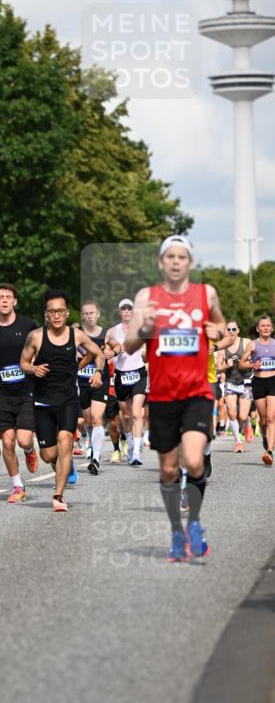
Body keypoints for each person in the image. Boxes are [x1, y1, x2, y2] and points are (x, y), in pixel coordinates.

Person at [124, 235, 226, 561]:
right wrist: (145, 328)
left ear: (190, 263)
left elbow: (221, 326)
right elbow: (128, 347)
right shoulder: (146, 297)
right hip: (163, 396)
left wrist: (218, 333)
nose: (177, 261)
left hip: (197, 392)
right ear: (161, 262)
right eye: (171, 256)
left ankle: (194, 522)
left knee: (194, 461)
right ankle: (175, 530)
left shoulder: (205, 293)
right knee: (169, 471)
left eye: (182, 256)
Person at [21, 289, 105, 512]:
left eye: (60, 311)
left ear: (67, 313)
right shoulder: (36, 336)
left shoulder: (76, 335)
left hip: (68, 399)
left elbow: (97, 353)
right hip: (43, 402)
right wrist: (33, 368)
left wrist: (97, 372)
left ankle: (58, 496)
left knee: (66, 441)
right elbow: (23, 363)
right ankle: (63, 465)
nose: (56, 315)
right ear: (46, 314)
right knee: (49, 453)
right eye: (52, 311)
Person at [0, 284, 39, 503]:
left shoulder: (29, 326)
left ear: (15, 301)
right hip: (0, 393)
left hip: (26, 391)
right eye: (0, 297)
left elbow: (40, 352)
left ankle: (30, 449)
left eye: (8, 297)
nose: (4, 300)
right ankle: (17, 486)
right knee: (8, 442)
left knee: (23, 440)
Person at [105, 299, 148, 466]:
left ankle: (136, 452)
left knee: (137, 413)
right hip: (121, 375)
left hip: (139, 373)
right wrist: (113, 352)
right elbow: (107, 352)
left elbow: (149, 351)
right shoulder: (112, 332)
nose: (127, 311)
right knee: (127, 414)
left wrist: (146, 354)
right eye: (123, 308)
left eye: (129, 308)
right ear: (120, 312)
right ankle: (129, 443)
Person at [77, 301, 111, 475]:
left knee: (97, 418)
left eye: (92, 313)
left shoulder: (106, 334)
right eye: (86, 313)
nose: (89, 316)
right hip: (82, 382)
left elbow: (117, 345)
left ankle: (95, 458)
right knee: (88, 421)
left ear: (98, 314)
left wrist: (113, 352)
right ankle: (91, 444)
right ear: (83, 316)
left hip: (101, 381)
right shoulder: (76, 334)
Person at [239, 314, 275, 466]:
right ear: (258, 329)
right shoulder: (252, 345)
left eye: (268, 325)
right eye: (263, 326)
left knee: (272, 416)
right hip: (259, 382)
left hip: (273, 380)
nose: (266, 328)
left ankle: (270, 451)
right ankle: (266, 437)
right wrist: (252, 366)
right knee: (263, 419)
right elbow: (241, 364)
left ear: (271, 328)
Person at [216, 321, 254, 452]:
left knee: (243, 416)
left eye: (234, 329)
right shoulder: (222, 348)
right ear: (225, 332)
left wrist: (248, 362)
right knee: (232, 412)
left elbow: (255, 359)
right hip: (231, 382)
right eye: (228, 329)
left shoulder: (246, 342)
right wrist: (226, 366)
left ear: (238, 330)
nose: (231, 331)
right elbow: (217, 368)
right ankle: (238, 442)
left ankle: (247, 423)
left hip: (246, 381)